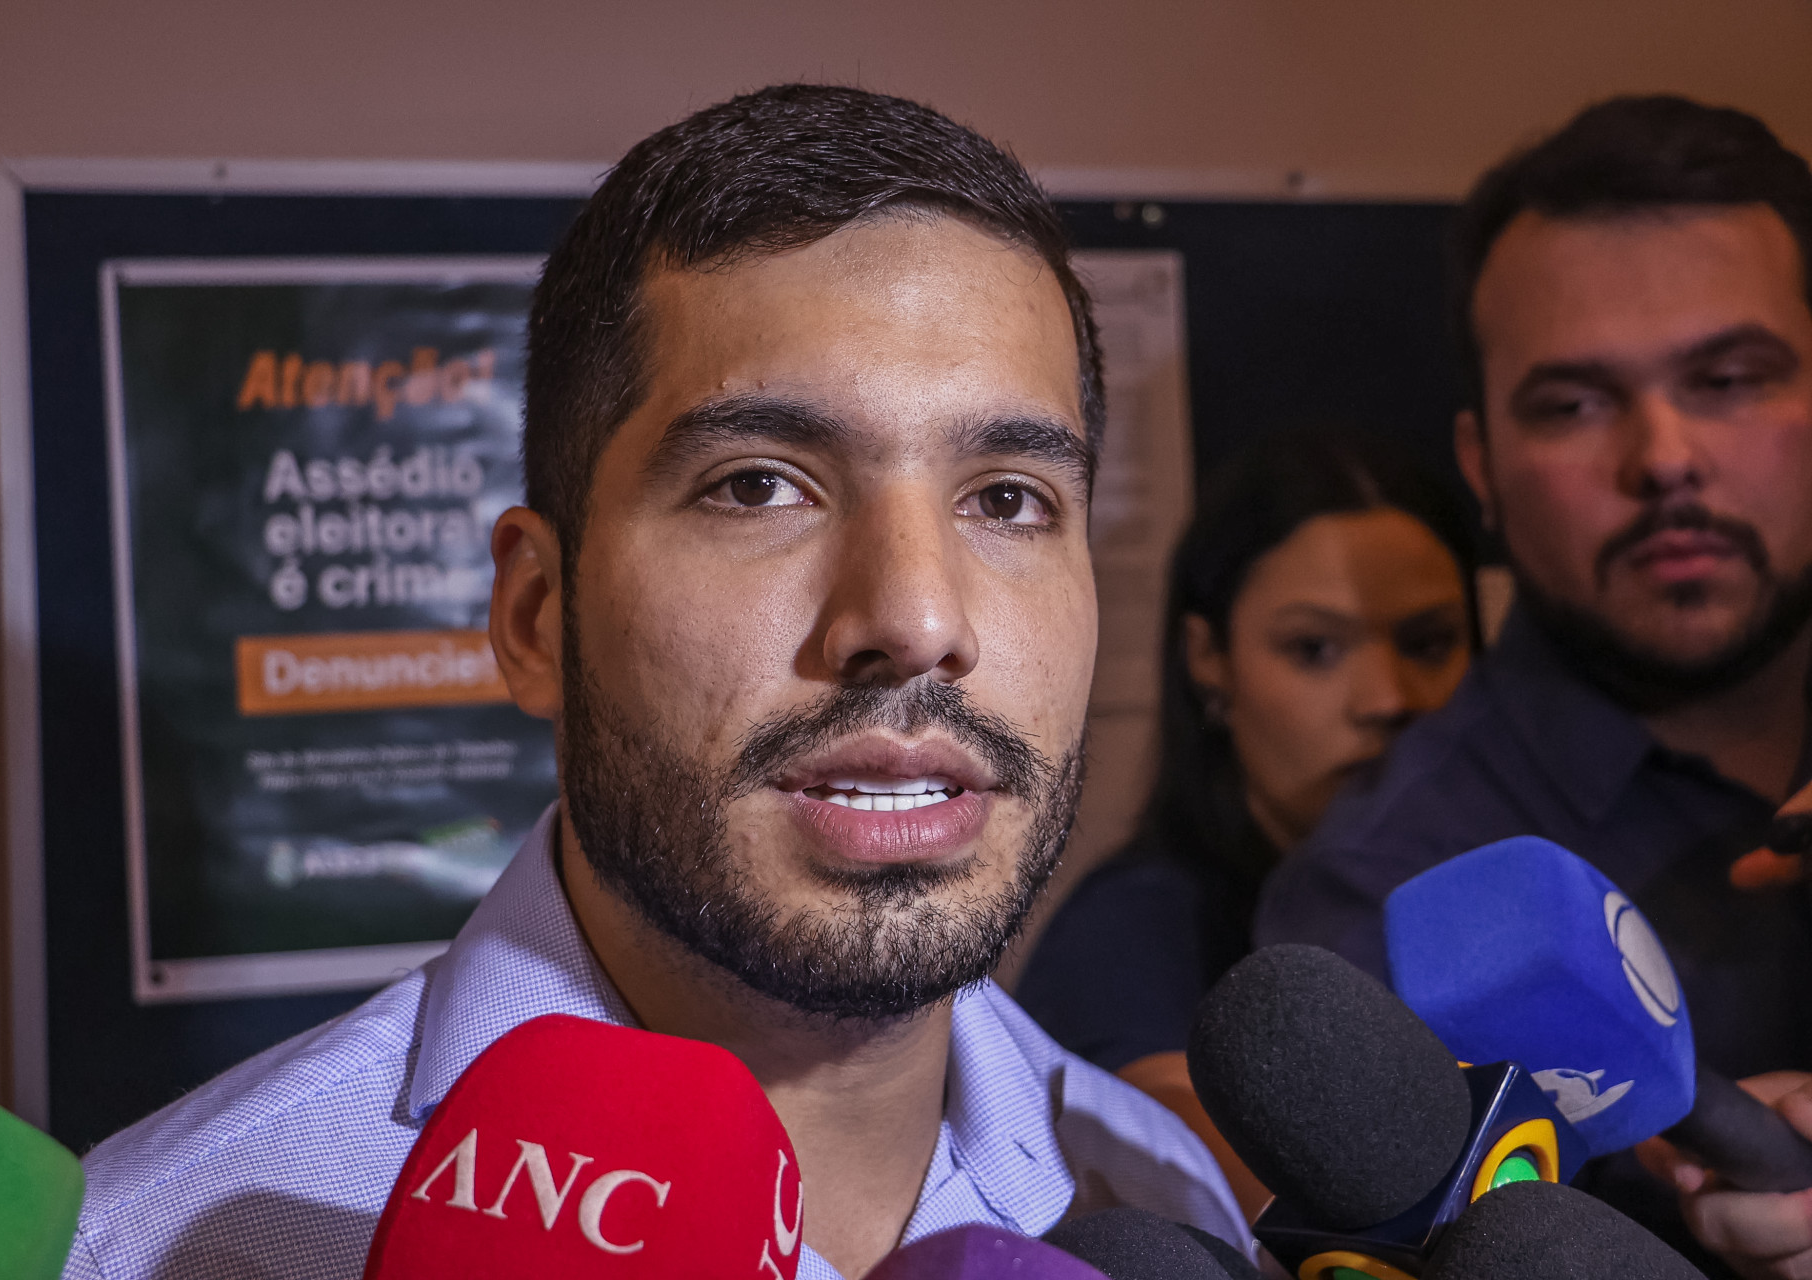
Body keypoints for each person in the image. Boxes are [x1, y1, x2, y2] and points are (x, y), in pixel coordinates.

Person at [60, 86, 1249, 1280]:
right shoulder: (152, 1244)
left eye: (1007, 499)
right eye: (758, 485)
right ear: (535, 614)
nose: (916, 620)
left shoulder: (1166, 1192)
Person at [1255, 96, 1812, 1277]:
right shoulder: (1382, 899)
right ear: (1484, 469)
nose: (1662, 456)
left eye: (1728, 376)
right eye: (1574, 403)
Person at [1015, 427, 1477, 1212]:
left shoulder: (1492, 904)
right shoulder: (1135, 930)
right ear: (1209, 660)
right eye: (1316, 649)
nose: (1389, 698)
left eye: (1430, 644)